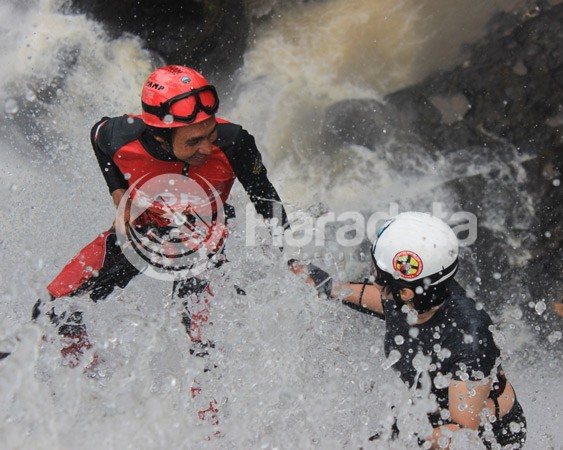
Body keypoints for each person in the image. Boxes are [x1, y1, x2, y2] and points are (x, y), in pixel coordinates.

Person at [32, 65, 288, 371]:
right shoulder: (122, 136)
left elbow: (267, 200)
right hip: (144, 230)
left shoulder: (235, 142)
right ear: (160, 135)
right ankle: (90, 381)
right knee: (51, 309)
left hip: (203, 241)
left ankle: (211, 412)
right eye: (193, 142)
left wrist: (288, 259)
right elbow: (97, 135)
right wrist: (118, 193)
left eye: (210, 133)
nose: (207, 147)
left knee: (196, 342)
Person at [290, 212, 526, 449]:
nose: (372, 276)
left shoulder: (470, 337)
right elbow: (384, 300)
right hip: (431, 419)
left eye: (376, 272)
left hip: (487, 437)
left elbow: (463, 434)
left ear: (405, 293)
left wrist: (403, 442)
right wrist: (328, 286)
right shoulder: (421, 294)